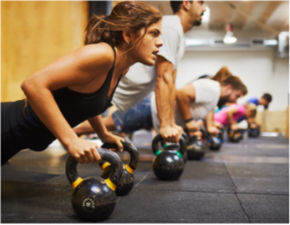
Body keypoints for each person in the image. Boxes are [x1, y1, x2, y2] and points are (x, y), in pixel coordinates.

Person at [1, 1, 163, 165]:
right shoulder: (102, 54)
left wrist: (103, 134)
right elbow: (33, 84)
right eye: (154, 33)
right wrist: (71, 140)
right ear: (128, 35)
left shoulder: (121, 68)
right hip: (6, 127)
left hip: (13, 142)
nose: (160, 42)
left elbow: (89, 101)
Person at [76, 0, 207, 143]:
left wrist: (171, 124)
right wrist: (164, 126)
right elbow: (163, 78)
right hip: (119, 89)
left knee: (81, 116)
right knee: (73, 116)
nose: (204, 8)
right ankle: (72, 133)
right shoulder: (171, 28)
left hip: (119, 92)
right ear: (186, 4)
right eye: (200, 2)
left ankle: (71, 133)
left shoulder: (177, 34)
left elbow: (171, 83)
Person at [74, 73, 247, 140]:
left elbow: (203, 109)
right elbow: (181, 94)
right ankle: (70, 133)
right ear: (229, 88)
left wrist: (204, 124)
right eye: (236, 96)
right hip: (149, 109)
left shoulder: (214, 94)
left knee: (110, 125)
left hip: (153, 115)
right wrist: (188, 122)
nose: (235, 101)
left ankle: (72, 133)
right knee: (109, 124)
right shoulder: (212, 88)